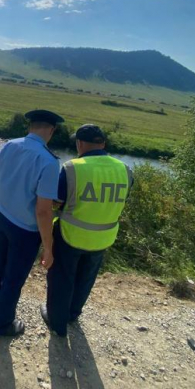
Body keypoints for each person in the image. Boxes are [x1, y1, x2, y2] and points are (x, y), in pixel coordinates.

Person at [41, 124, 133, 337]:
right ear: (103, 144)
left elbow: (56, 202)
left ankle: (57, 322)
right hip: (103, 237)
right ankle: (73, 314)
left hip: (70, 236)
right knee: (86, 278)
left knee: (61, 279)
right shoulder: (125, 170)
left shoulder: (73, 168)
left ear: (80, 144)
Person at [0, 109, 64, 337]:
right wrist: (49, 248)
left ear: (30, 126)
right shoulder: (48, 162)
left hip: (3, 215)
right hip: (25, 231)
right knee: (14, 277)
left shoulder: (10, 145)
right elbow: (43, 210)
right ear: (51, 130)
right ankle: (1, 324)